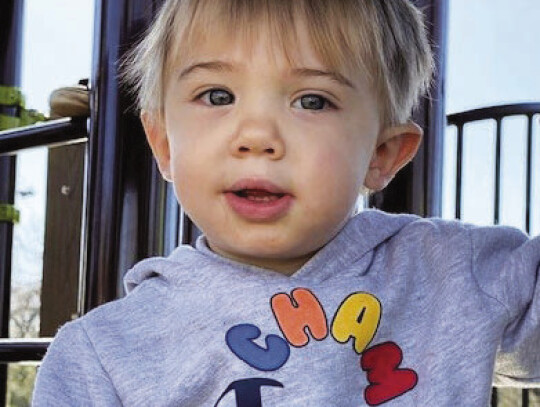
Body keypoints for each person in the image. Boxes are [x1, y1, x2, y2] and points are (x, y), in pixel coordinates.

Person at [33, 0, 540, 405]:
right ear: (164, 144)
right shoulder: (107, 355)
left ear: (382, 154)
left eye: (311, 101)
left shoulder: (454, 275)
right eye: (217, 95)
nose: (257, 136)